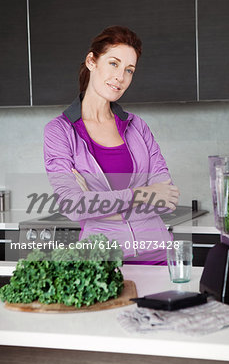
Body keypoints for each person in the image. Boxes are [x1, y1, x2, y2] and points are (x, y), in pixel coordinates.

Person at [44, 25, 179, 264]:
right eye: (114, 63)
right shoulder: (60, 132)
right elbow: (73, 205)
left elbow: (166, 198)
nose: (121, 77)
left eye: (129, 70)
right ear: (91, 61)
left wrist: (97, 203)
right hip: (102, 263)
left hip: (160, 258)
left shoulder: (137, 126)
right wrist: (143, 194)